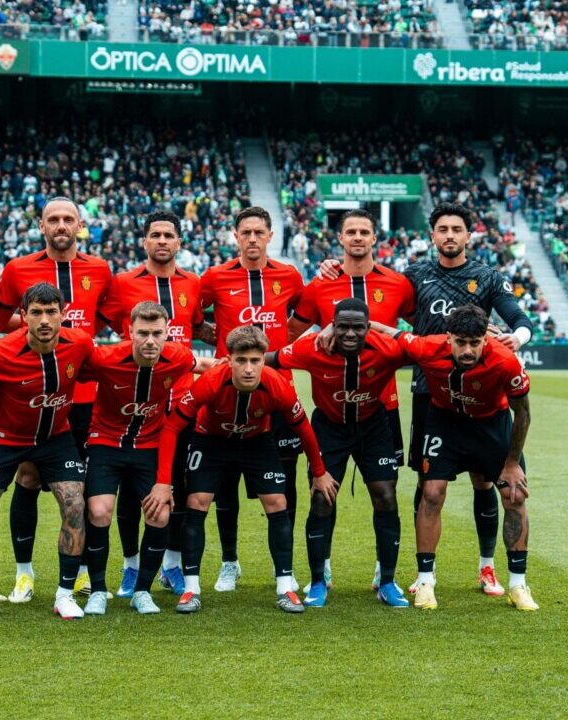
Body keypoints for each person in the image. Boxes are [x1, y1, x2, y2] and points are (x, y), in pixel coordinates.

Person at [320, 202, 533, 597]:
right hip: (429, 391)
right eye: (442, 229)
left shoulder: (487, 277)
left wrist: (515, 339)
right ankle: (412, 571)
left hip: (482, 389)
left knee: (485, 483)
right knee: (427, 482)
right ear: (432, 235)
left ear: (469, 235)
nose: (450, 235)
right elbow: (377, 302)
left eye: (457, 229)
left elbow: (519, 318)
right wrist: (334, 269)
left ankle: (487, 567)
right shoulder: (414, 277)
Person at [156, 326, 334, 614]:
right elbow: (173, 426)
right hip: (210, 440)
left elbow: (303, 428)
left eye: (255, 361)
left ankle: (285, 587)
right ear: (228, 360)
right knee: (196, 501)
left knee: (278, 502)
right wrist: (163, 482)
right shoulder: (210, 381)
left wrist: (319, 471)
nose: (248, 369)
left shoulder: (277, 385)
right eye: (241, 361)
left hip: (256, 441)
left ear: (265, 360)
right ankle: (191, 589)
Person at [0, 197, 112, 603]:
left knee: (79, 487)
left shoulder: (99, 269)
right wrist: (41, 328)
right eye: (53, 219)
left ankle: (76, 574)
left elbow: (116, 318)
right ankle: (24, 574)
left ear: (79, 224)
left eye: (68, 219)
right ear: (41, 225)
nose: (61, 225)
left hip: (85, 398)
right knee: (27, 478)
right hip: (36, 397)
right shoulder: (18, 269)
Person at [286, 208, 414, 590]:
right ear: (340, 239)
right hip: (332, 408)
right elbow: (290, 334)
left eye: (365, 231)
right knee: (324, 492)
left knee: (385, 493)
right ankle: (319, 569)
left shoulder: (398, 284)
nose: (357, 237)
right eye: (350, 232)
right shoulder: (319, 284)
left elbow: (419, 331)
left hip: (382, 408)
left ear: (375, 238)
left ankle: (384, 571)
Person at [0, 283, 93, 622]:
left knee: (75, 502)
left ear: (63, 314)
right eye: (36, 312)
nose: (45, 320)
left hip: (55, 437)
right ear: (23, 316)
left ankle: (64, 594)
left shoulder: (79, 344)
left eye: (51, 312)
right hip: (4, 438)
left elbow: (106, 372)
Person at [268, 298, 411, 608]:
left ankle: (386, 580)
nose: (349, 333)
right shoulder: (312, 349)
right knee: (321, 498)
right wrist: (225, 365)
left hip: (374, 425)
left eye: (357, 327)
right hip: (329, 427)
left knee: (386, 496)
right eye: (342, 326)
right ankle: (319, 580)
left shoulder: (387, 349)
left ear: (367, 327)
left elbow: (429, 349)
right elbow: (270, 359)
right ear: (332, 325)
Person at [395, 304, 538, 611]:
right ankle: (425, 580)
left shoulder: (505, 360)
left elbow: (523, 412)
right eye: (461, 342)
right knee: (431, 493)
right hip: (444, 422)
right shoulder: (427, 347)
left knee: (514, 496)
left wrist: (512, 463)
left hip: (492, 425)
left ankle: (517, 584)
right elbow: (392, 334)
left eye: (475, 342)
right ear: (448, 339)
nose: (468, 349)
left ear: (485, 340)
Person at [96, 211, 207, 599]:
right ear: (144, 241)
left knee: (178, 488)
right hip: (139, 405)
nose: (162, 241)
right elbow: (108, 328)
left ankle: (172, 566)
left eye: (169, 235)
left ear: (179, 243)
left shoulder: (194, 283)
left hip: (185, 405)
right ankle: (131, 568)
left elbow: (200, 327)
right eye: (155, 234)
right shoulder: (123, 283)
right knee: (131, 493)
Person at [79, 301, 216, 615]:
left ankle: (142, 590)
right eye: (143, 333)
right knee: (99, 511)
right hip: (105, 442)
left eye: (157, 333)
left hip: (150, 445)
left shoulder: (178, 356)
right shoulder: (105, 358)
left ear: (168, 333)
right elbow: (69, 370)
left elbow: (209, 367)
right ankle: (98, 590)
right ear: (130, 332)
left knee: (160, 514)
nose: (151, 341)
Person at [197, 206, 305, 593]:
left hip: (277, 391)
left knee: (283, 484)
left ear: (270, 235)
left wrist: (280, 345)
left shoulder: (289, 275)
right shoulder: (215, 277)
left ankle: (286, 570)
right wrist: (220, 341)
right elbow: (193, 316)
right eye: (247, 232)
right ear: (236, 236)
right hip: (228, 390)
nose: (253, 238)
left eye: (260, 232)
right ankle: (230, 562)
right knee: (225, 484)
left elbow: (304, 314)